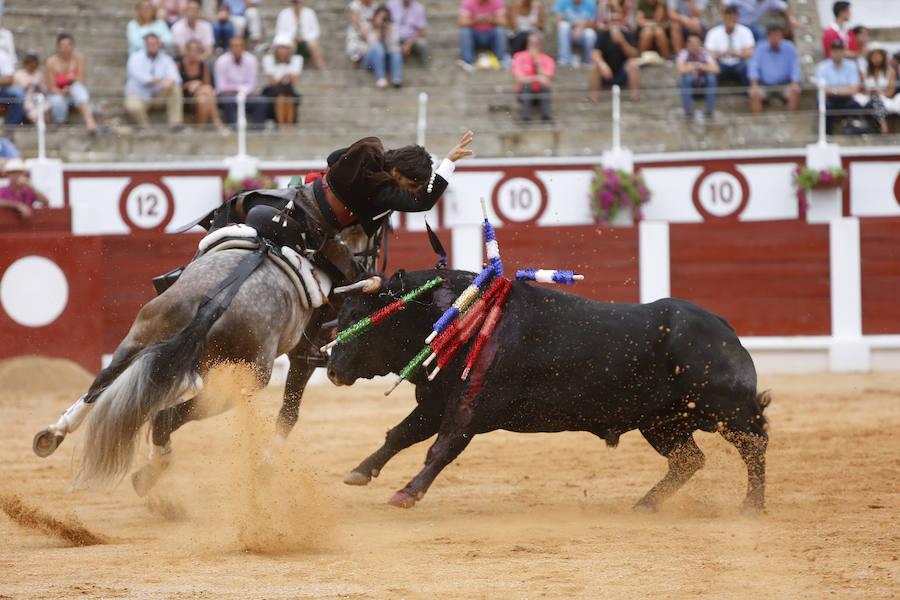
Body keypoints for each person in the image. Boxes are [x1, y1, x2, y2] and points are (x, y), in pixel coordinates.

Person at [195, 131, 476, 284]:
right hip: (312, 229)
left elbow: (332, 157)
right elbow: (422, 201)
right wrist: (448, 163)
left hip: (289, 199)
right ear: (397, 173)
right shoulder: (381, 189)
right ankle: (313, 344)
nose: (407, 192)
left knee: (235, 205)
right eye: (410, 185)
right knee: (354, 284)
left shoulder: (370, 149)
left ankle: (188, 271)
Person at [125, 31, 184, 129]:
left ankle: (175, 124)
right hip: (138, 95)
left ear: (159, 44)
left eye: (155, 43)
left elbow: (176, 77)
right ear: (145, 44)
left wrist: (170, 80)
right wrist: (160, 80)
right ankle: (146, 128)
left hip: (157, 95)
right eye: (150, 44)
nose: (153, 46)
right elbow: (142, 77)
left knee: (175, 88)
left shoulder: (166, 59)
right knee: (133, 107)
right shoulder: (135, 58)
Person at [45, 34, 99, 131]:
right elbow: (51, 87)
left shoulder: (78, 57)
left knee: (78, 88)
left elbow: (80, 80)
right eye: (63, 46)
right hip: (58, 93)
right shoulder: (51, 61)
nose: (66, 49)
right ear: (58, 48)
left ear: (73, 46)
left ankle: (89, 121)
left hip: (74, 94)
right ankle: (60, 123)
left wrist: (73, 80)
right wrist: (62, 92)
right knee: (57, 101)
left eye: (68, 46)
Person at [589, 6, 640, 102]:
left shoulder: (628, 35)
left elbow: (634, 55)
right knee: (595, 66)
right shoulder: (603, 35)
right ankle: (594, 97)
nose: (615, 24)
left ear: (622, 22)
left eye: (617, 21)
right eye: (612, 20)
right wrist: (602, 65)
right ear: (608, 22)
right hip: (605, 73)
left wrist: (622, 42)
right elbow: (595, 53)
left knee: (633, 63)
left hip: (622, 72)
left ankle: (634, 96)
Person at [214, 36, 266, 127]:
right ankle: (232, 129)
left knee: (261, 101)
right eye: (234, 46)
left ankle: (257, 130)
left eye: (239, 46)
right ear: (230, 47)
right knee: (227, 100)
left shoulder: (251, 59)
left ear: (243, 47)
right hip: (228, 95)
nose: (236, 49)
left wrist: (240, 91)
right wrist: (239, 90)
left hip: (247, 95)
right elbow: (221, 87)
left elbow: (252, 83)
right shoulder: (221, 61)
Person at [747, 24, 800, 113]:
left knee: (794, 92)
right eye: (772, 35)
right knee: (754, 94)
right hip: (764, 84)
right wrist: (754, 86)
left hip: (785, 84)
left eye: (777, 35)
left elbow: (795, 67)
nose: (775, 38)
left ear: (782, 36)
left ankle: (791, 120)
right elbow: (753, 67)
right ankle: (757, 120)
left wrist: (794, 84)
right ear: (767, 37)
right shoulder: (760, 47)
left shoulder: (790, 47)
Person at [177, 38, 227, 132]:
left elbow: (207, 85)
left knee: (203, 98)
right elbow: (176, 87)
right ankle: (218, 123)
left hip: (200, 97)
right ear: (186, 51)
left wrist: (198, 85)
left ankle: (200, 129)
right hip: (185, 99)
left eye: (196, 50)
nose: (193, 53)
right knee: (206, 92)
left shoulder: (203, 65)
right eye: (191, 50)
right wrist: (189, 84)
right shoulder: (179, 65)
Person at [815, 38, 862, 134]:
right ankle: (827, 135)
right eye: (835, 50)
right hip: (829, 100)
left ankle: (855, 133)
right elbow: (822, 89)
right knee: (825, 107)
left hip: (846, 99)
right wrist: (843, 89)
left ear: (843, 51)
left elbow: (854, 90)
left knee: (855, 106)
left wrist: (833, 90)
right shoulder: (822, 66)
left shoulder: (851, 65)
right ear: (830, 51)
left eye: (840, 50)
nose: (837, 53)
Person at [704, 5, 754, 87]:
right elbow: (708, 53)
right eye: (728, 19)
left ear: (737, 19)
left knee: (748, 65)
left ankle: (748, 92)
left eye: (733, 19)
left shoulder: (745, 31)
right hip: (720, 63)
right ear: (723, 18)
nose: (730, 22)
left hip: (739, 63)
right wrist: (721, 55)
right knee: (710, 70)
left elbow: (749, 52)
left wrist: (737, 55)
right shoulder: (713, 32)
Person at [511, 32, 554, 122]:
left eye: (535, 44)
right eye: (530, 43)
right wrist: (537, 78)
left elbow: (547, 81)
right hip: (523, 93)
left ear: (541, 45)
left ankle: (546, 117)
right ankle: (526, 118)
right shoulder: (519, 56)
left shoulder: (548, 59)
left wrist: (536, 61)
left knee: (544, 87)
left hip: (541, 93)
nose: (532, 46)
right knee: (526, 85)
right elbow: (518, 79)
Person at [677, 31, 718, 123]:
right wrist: (703, 67)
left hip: (703, 85)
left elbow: (716, 69)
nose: (694, 46)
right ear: (687, 44)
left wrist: (697, 66)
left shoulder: (706, 53)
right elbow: (681, 69)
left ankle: (709, 111)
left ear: (700, 44)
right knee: (686, 78)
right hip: (689, 85)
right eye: (691, 44)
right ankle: (688, 112)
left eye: (696, 43)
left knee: (711, 78)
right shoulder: (683, 53)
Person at [852, 47, 896, 134]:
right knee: (874, 99)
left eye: (878, 56)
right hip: (867, 100)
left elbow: (891, 91)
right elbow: (860, 90)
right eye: (874, 57)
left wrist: (879, 94)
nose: (876, 59)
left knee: (876, 100)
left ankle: (881, 126)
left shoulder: (890, 71)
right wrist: (870, 93)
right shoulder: (864, 72)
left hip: (884, 100)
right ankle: (883, 124)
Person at [261, 35, 302, 125]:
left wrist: (285, 77)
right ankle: (282, 124)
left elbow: (292, 82)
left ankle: (287, 125)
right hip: (272, 91)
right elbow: (274, 82)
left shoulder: (295, 60)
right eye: (280, 48)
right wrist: (285, 76)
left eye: (285, 48)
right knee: (283, 95)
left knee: (287, 94)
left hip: (287, 90)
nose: (282, 51)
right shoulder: (268, 59)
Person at [458, 0, 508, 72]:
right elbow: (461, 23)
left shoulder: (497, 1)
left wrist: (491, 20)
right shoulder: (468, 2)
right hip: (474, 36)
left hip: (491, 35)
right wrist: (475, 20)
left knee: (500, 30)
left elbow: (503, 22)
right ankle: (467, 62)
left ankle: (500, 60)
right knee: (465, 31)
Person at [275, 0, 326, 71]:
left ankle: (321, 67)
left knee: (313, 45)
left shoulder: (310, 13)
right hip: (290, 40)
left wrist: (304, 38)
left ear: (302, 2)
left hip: (307, 40)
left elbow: (316, 31)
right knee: (288, 46)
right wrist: (293, 37)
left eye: (297, 2)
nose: (296, 4)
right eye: (294, 2)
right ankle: (289, 68)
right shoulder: (284, 13)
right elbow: (280, 31)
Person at [721, 0, 798, 42]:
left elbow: (784, 7)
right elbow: (725, 2)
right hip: (737, 24)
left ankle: (757, 57)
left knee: (762, 32)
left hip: (752, 26)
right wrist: (724, 16)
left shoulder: (769, 1)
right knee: (720, 27)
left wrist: (790, 20)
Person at [364, 5, 403, 88]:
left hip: (386, 59)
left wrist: (388, 31)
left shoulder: (392, 27)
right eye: (380, 16)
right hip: (371, 60)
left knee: (396, 49)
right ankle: (381, 78)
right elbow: (373, 45)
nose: (382, 19)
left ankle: (396, 79)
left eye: (384, 17)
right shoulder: (370, 27)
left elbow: (394, 45)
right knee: (378, 48)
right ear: (375, 17)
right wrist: (378, 29)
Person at [554, 0, 597, 68]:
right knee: (563, 26)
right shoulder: (562, 1)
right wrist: (575, 25)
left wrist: (581, 28)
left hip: (583, 33)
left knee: (590, 34)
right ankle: (564, 60)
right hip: (568, 33)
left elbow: (593, 24)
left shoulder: (591, 2)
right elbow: (557, 22)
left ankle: (589, 62)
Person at [386, 0, 430, 68]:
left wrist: (408, 44)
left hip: (411, 38)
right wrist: (392, 39)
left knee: (423, 43)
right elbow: (385, 22)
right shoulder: (391, 5)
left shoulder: (419, 8)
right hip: (393, 36)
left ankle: (425, 67)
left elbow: (421, 31)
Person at [13, 53, 46, 125]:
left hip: (38, 99)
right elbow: (14, 90)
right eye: (31, 66)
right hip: (25, 100)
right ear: (25, 65)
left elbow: (45, 90)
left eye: (35, 66)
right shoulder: (18, 74)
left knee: (45, 112)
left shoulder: (39, 75)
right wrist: (25, 87)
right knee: (34, 116)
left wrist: (39, 86)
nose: (32, 68)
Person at [0, 40, 23, 127]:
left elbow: (9, 79)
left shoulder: (2, 56)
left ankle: (13, 127)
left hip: (2, 93)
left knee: (18, 94)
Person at [346, 0, 377, 64]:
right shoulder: (355, 5)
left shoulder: (375, 7)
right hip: (357, 34)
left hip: (369, 33)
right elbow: (355, 22)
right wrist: (362, 33)